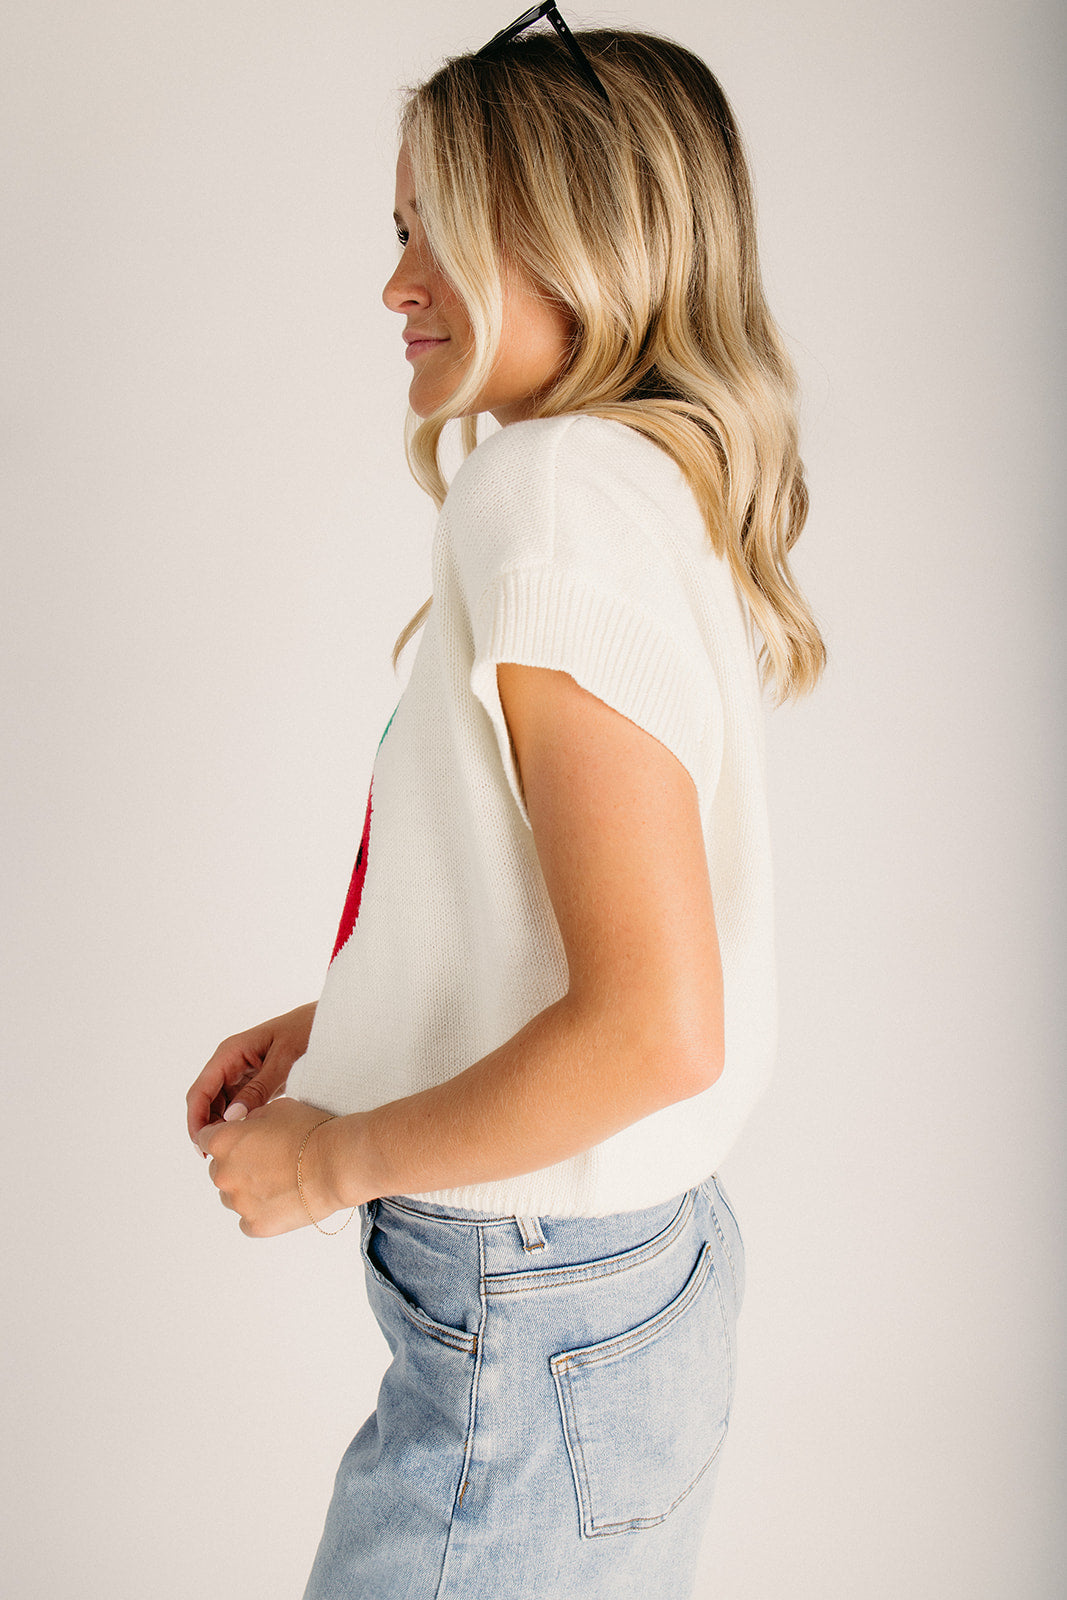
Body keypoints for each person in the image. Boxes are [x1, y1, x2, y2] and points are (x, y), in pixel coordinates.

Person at [186, 12, 826, 1599]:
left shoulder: (543, 496)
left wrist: (331, 1161)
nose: (398, 285)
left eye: (441, 232)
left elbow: (652, 1025)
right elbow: (558, 914)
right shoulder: (641, 482)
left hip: (529, 1323)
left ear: (580, 245)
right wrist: (346, 1022)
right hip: (617, 1290)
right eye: (399, 231)